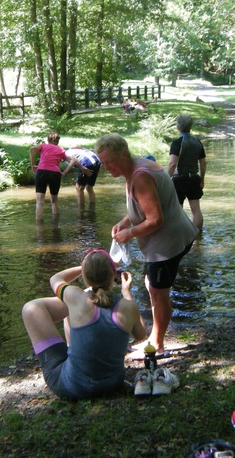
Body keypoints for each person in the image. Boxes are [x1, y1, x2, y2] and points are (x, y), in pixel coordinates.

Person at [95, 134, 200, 355]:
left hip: (167, 244)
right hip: (172, 237)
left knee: (158, 291)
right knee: (151, 284)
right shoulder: (137, 166)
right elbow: (145, 203)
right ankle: (154, 337)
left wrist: (128, 234)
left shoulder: (140, 176)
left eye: (109, 162)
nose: (106, 167)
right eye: (102, 163)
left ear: (124, 154)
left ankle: (158, 345)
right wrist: (125, 221)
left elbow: (155, 220)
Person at [21, 249, 147, 400]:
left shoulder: (75, 296)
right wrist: (126, 293)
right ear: (114, 274)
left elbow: (55, 278)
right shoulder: (128, 306)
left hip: (71, 388)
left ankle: (71, 353)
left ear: (86, 277)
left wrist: (84, 267)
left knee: (30, 309)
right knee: (72, 306)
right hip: (112, 384)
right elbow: (141, 336)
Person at [29, 132, 82, 221]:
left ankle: (39, 228)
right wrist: (64, 173)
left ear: (48, 139)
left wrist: (33, 165)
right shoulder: (61, 150)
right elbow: (73, 161)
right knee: (54, 201)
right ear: (58, 141)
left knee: (40, 202)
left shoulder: (43, 146)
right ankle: (56, 225)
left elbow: (31, 149)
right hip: (55, 174)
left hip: (42, 172)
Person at [167, 114, 207, 230]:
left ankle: (181, 236)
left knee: (178, 211)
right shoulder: (197, 142)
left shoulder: (176, 143)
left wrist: (164, 179)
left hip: (178, 179)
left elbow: (172, 164)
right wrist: (202, 179)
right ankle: (198, 237)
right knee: (196, 210)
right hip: (194, 178)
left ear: (177, 127)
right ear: (191, 126)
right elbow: (203, 163)